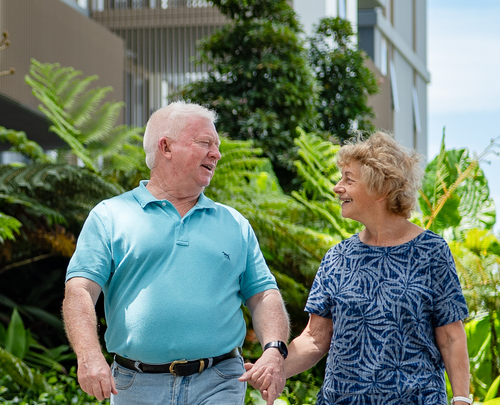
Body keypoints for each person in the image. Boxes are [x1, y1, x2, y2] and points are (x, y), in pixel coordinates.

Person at [63, 102, 292, 405]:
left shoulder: (234, 223)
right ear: (166, 147)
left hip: (219, 380)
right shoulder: (110, 215)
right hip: (135, 385)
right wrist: (89, 354)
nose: (216, 154)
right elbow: (79, 290)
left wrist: (274, 350)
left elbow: (264, 294)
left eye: (218, 145)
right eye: (205, 143)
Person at [263, 132, 473, 405]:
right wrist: (273, 368)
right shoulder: (337, 257)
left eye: (348, 179)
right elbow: (315, 339)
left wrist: (461, 399)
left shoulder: (431, 252)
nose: (338, 187)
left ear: (381, 188)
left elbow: (450, 336)